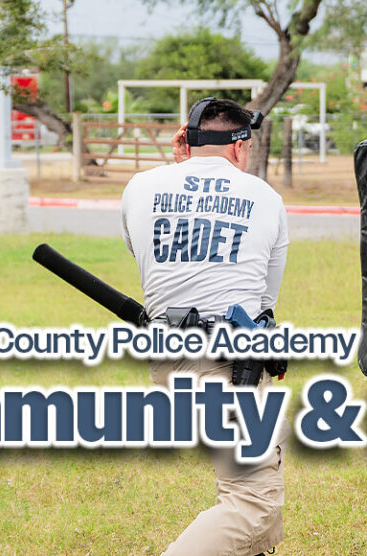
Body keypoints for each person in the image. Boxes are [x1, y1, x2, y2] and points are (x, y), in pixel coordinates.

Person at [121, 98, 289, 555]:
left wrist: (182, 167)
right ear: (240, 145)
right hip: (224, 361)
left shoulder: (140, 187)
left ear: (187, 143)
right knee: (253, 500)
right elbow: (263, 299)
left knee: (253, 476)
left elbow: (142, 253)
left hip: (168, 354)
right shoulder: (264, 197)